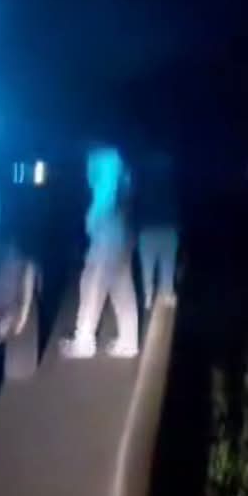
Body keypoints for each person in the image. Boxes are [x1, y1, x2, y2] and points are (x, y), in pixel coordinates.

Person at [60, 144, 139, 358]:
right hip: (123, 226)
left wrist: (92, 221)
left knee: (92, 283)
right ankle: (129, 342)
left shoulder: (105, 157)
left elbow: (105, 192)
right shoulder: (120, 158)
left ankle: (84, 343)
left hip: (107, 227)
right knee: (121, 284)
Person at [136, 149, 179, 308]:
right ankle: (167, 293)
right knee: (168, 264)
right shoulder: (172, 184)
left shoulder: (143, 183)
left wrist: (136, 228)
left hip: (147, 229)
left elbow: (136, 206)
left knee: (147, 266)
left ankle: (148, 296)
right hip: (168, 228)